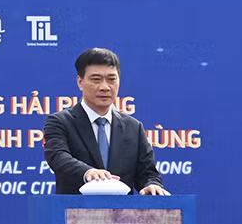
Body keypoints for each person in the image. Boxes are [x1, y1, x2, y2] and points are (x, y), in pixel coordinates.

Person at [43, 47, 169, 196]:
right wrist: (88, 172)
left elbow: (148, 173)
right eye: (96, 79)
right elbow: (58, 157)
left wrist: (151, 185)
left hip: (124, 216)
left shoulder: (133, 127)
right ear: (80, 82)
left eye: (111, 80)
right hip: (74, 213)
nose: (104, 87)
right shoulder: (60, 121)